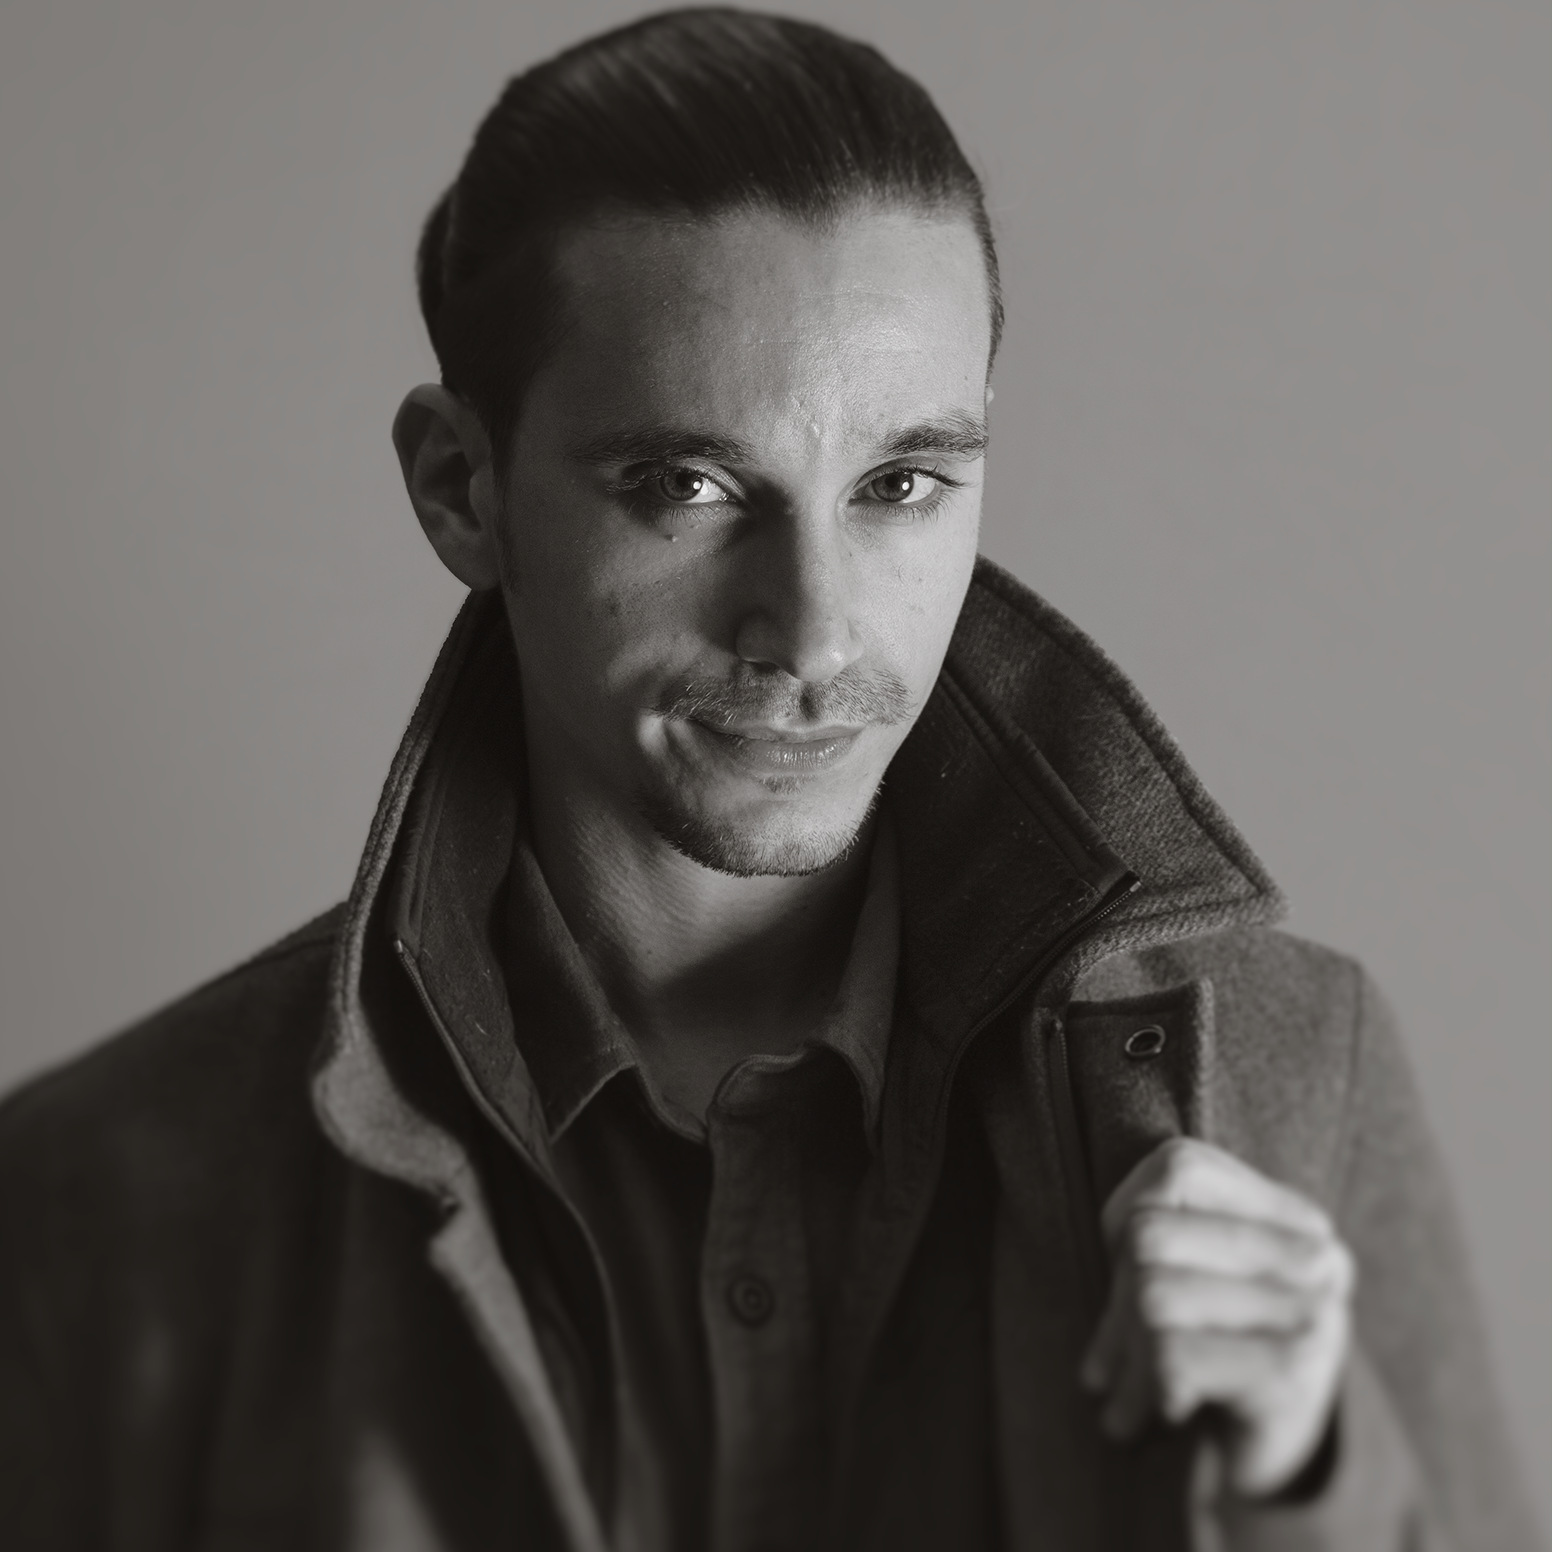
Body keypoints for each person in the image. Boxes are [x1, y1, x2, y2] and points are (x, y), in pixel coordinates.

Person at [0, 9, 1536, 1551]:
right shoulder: (103, 1209)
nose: (812, 631)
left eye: (902, 485)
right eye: (689, 485)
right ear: (462, 489)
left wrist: (1301, 1489)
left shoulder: (1286, 1077)